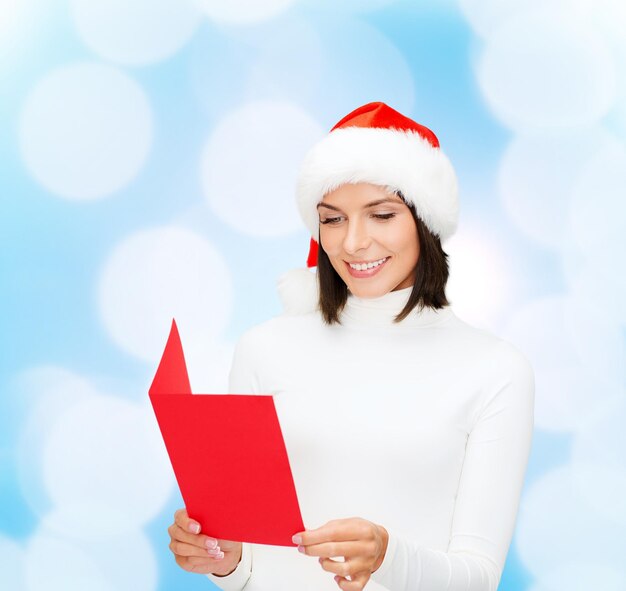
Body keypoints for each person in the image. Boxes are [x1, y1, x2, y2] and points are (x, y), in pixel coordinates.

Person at [166, 102, 535, 591]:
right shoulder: (264, 349)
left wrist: (389, 556)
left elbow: (479, 578)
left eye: (381, 215)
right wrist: (223, 560)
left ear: (425, 221)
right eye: (333, 219)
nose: (353, 242)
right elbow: (249, 569)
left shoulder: (494, 369)